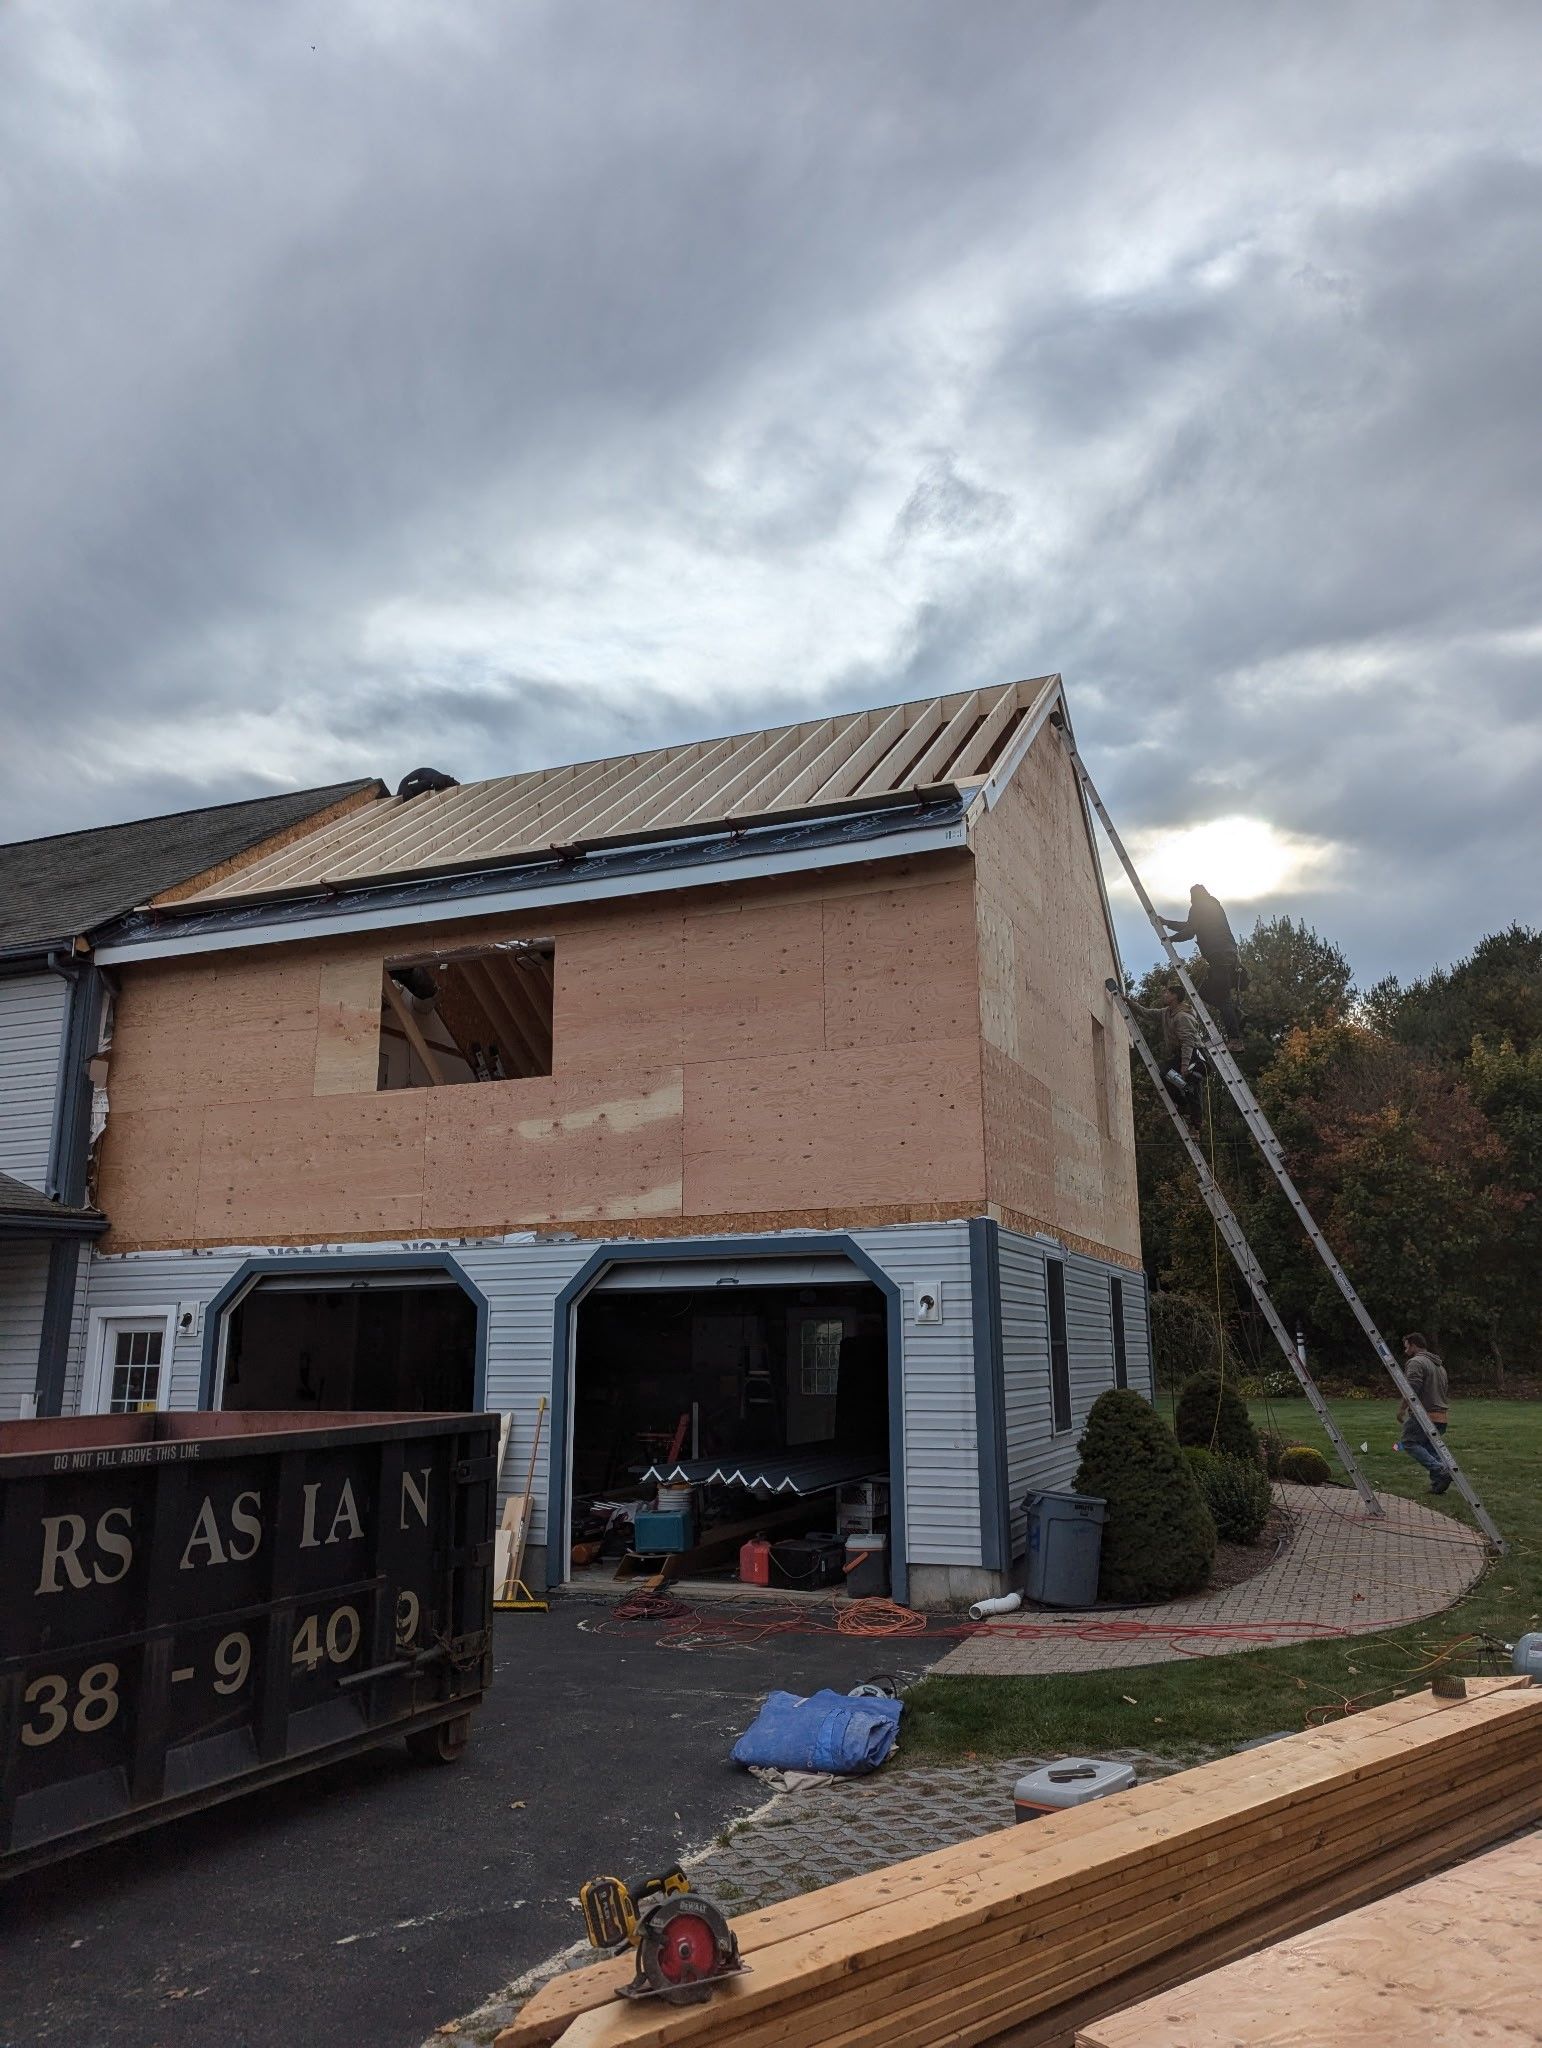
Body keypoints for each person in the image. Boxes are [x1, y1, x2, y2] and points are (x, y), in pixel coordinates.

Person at [1158, 884, 1245, 1047]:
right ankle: (1234, 1015)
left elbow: (1190, 931)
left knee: (1223, 1000)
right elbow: (1191, 925)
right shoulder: (1213, 906)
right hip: (1229, 958)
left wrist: (1170, 940)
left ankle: (1235, 1039)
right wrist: (1167, 923)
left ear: (1193, 897)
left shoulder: (1198, 906)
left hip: (1219, 957)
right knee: (1203, 992)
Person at [1130, 983, 1206, 1130]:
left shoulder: (1182, 1016)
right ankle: (1183, 1104)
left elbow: (1188, 1041)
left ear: (1175, 996)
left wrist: (1184, 1065)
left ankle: (1196, 1127)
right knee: (1164, 1074)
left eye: (1167, 993)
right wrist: (1129, 1002)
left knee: (1192, 1087)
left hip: (1194, 1054)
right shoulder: (1166, 1012)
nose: (1164, 995)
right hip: (1181, 1053)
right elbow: (1147, 1013)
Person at [1396, 1333, 1452, 1494]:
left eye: (1406, 1346)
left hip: (1424, 1415)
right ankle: (1439, 1484)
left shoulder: (1416, 1362)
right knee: (1430, 1447)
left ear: (1413, 1345)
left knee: (1409, 1442)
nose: (1405, 1350)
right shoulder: (1439, 1366)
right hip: (1441, 1415)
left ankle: (1440, 1470)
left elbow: (1411, 1388)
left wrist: (1402, 1409)